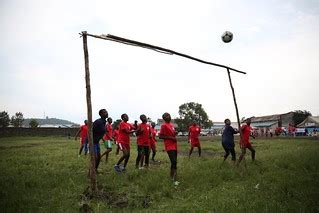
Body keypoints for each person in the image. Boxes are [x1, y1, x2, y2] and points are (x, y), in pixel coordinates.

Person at [159, 112, 179, 185]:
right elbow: (160, 136)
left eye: (169, 115)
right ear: (164, 118)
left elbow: (172, 133)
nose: (169, 117)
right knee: (173, 161)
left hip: (174, 145)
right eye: (166, 116)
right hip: (169, 145)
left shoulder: (171, 125)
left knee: (175, 162)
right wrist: (170, 137)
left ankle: (174, 177)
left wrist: (175, 133)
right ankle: (173, 178)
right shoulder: (163, 126)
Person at [92, 109, 108, 173]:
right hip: (92, 142)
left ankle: (95, 170)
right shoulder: (98, 122)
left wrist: (103, 140)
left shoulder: (104, 122)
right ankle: (91, 171)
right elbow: (91, 130)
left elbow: (101, 133)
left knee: (98, 157)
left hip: (96, 142)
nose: (106, 113)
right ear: (100, 114)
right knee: (95, 157)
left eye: (106, 112)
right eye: (104, 112)